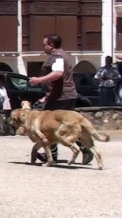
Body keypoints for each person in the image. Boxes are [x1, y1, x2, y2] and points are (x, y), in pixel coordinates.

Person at [29, 34, 92, 164]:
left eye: (44, 45)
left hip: (61, 98)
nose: (43, 48)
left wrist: (39, 80)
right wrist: (47, 96)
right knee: (69, 126)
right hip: (65, 95)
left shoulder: (57, 57)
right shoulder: (65, 55)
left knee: (47, 126)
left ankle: (52, 155)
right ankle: (85, 150)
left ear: (51, 45)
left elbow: (58, 74)